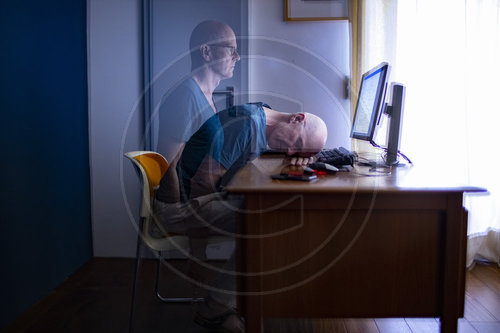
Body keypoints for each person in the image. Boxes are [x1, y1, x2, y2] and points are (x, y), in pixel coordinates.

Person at [153, 102, 327, 333]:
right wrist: (198, 253)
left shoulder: (262, 114)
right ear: (297, 118)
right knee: (267, 221)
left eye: (298, 151)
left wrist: (306, 158)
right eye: (297, 144)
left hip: (200, 200)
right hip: (177, 209)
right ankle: (215, 308)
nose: (291, 152)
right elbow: (201, 184)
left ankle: (229, 301)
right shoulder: (245, 125)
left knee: (270, 212)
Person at [156, 20, 240, 201]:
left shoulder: (205, 95)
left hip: (203, 199)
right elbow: (166, 166)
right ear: (206, 52)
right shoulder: (185, 96)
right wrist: (178, 218)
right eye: (231, 49)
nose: (237, 57)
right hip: (185, 207)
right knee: (253, 219)